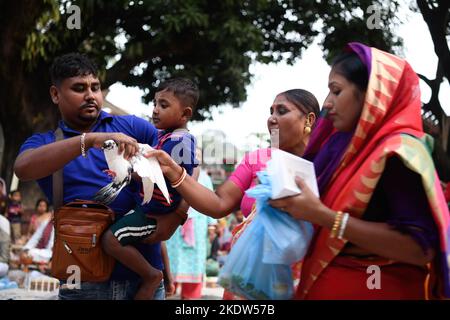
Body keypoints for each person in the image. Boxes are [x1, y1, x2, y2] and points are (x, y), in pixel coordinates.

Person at [270, 42, 450, 299]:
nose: (327, 103)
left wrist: (324, 216)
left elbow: (419, 248)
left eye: (336, 91)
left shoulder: (397, 153)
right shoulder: (342, 149)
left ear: (372, 95)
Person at [14, 53, 188, 300]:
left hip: (143, 281)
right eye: (78, 88)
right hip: (82, 284)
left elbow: (186, 160)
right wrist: (89, 141)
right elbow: (22, 168)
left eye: (95, 88)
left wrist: (178, 215)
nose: (90, 95)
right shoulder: (46, 143)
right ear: (55, 94)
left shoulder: (132, 127)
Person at [146, 88, 320, 299]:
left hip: (306, 278)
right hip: (247, 280)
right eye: (271, 111)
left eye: (281, 111)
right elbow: (219, 203)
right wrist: (175, 172)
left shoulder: (327, 163)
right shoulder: (257, 159)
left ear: (309, 119)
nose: (271, 119)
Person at [101, 78, 198, 300]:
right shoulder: (165, 137)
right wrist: (125, 172)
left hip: (154, 213)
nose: (155, 110)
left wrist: (131, 172)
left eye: (163, 105)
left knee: (110, 240)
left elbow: (180, 178)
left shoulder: (180, 141)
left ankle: (152, 276)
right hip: (148, 206)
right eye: (155, 103)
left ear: (184, 114)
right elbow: (153, 172)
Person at [166, 157, 216, 299]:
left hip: (197, 226)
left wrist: (212, 227)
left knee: (195, 263)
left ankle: (190, 296)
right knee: (172, 260)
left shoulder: (205, 177)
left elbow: (212, 202)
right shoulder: (173, 173)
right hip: (175, 225)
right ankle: (169, 289)